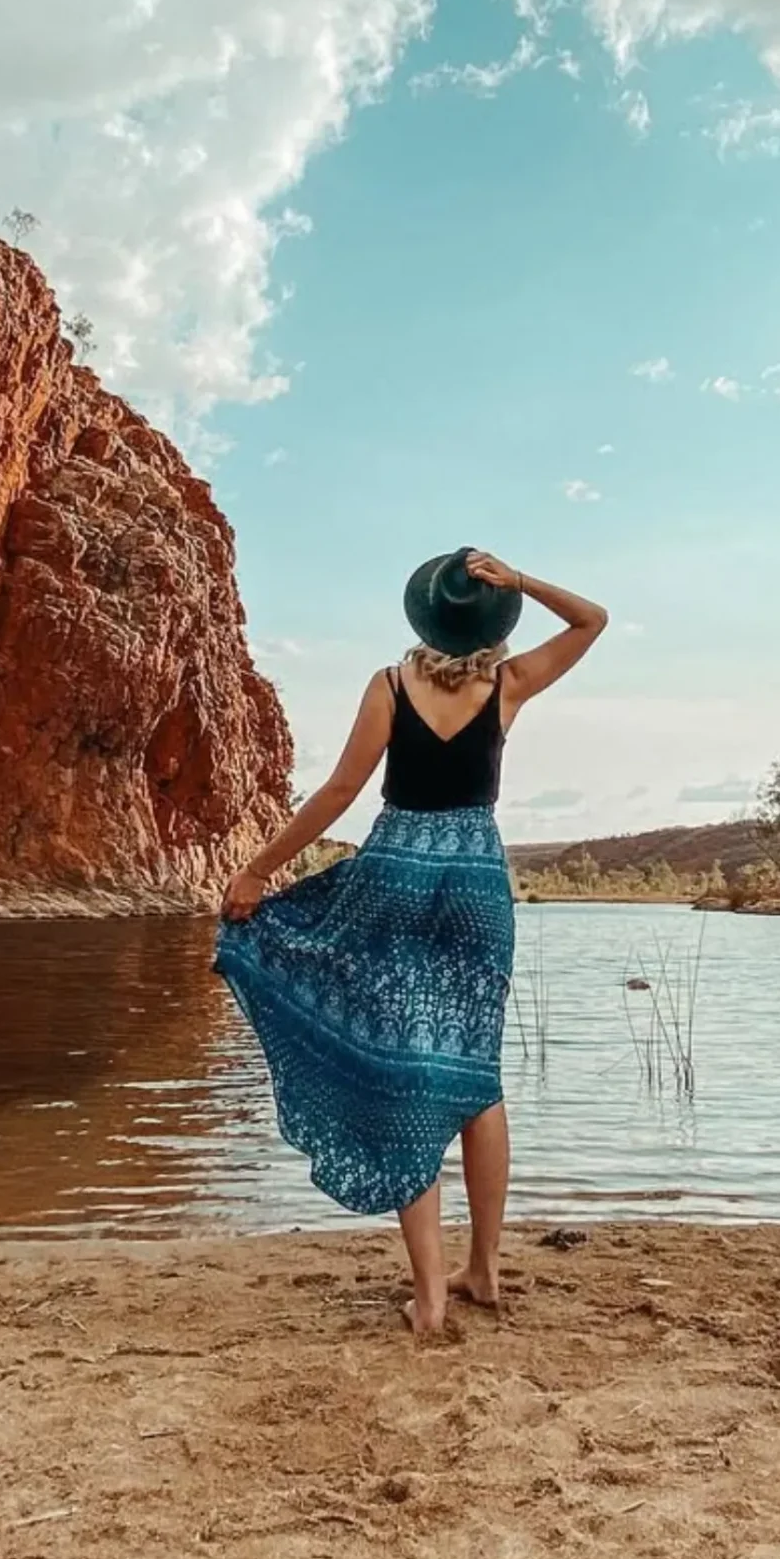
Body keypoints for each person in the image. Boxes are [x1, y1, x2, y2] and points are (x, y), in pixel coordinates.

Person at [214, 548, 608, 1341]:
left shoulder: (390, 686)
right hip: (475, 884)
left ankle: (429, 1296)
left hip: (394, 875)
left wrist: (257, 870)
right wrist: (524, 582)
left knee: (403, 1071)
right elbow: (593, 619)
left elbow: (338, 791)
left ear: (423, 614)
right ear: (493, 621)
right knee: (476, 1075)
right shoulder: (509, 685)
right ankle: (484, 1271)